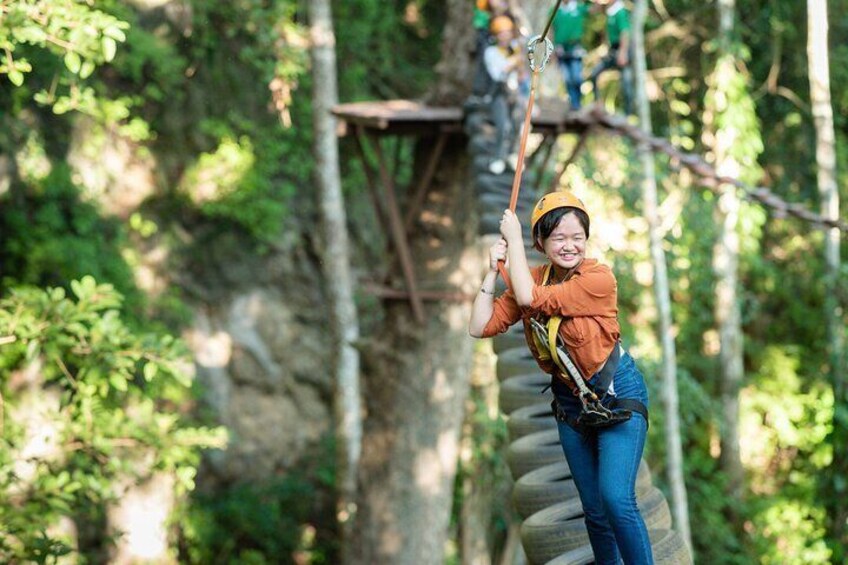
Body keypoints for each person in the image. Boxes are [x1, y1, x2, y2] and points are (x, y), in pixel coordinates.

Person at [469, 191, 654, 564]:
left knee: (616, 500)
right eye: (559, 238)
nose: (569, 246)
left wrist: (515, 238)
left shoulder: (598, 278)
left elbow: (530, 299)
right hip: (571, 403)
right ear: (542, 242)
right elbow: (480, 326)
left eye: (577, 238)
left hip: (617, 394)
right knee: (595, 512)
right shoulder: (535, 276)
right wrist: (493, 270)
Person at [483, 15, 523, 175]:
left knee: (517, 124)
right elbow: (497, 74)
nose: (505, 36)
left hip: (514, 93)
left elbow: (521, 75)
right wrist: (514, 61)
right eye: (501, 33)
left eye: (508, 32)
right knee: (503, 127)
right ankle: (497, 158)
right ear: (496, 35)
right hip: (498, 93)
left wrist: (519, 63)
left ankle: (512, 155)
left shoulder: (514, 50)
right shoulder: (491, 52)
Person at [589, 0, 634, 115]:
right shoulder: (610, 11)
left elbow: (625, 33)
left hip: (622, 50)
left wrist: (623, 53)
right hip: (612, 50)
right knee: (594, 73)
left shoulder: (620, 11)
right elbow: (593, 10)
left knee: (626, 85)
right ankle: (597, 103)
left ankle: (627, 114)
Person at [553, 0, 589, 110]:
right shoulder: (556, 10)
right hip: (561, 49)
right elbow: (551, 29)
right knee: (567, 79)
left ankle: (578, 101)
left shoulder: (578, 7)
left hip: (575, 48)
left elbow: (594, 9)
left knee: (577, 77)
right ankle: (574, 104)